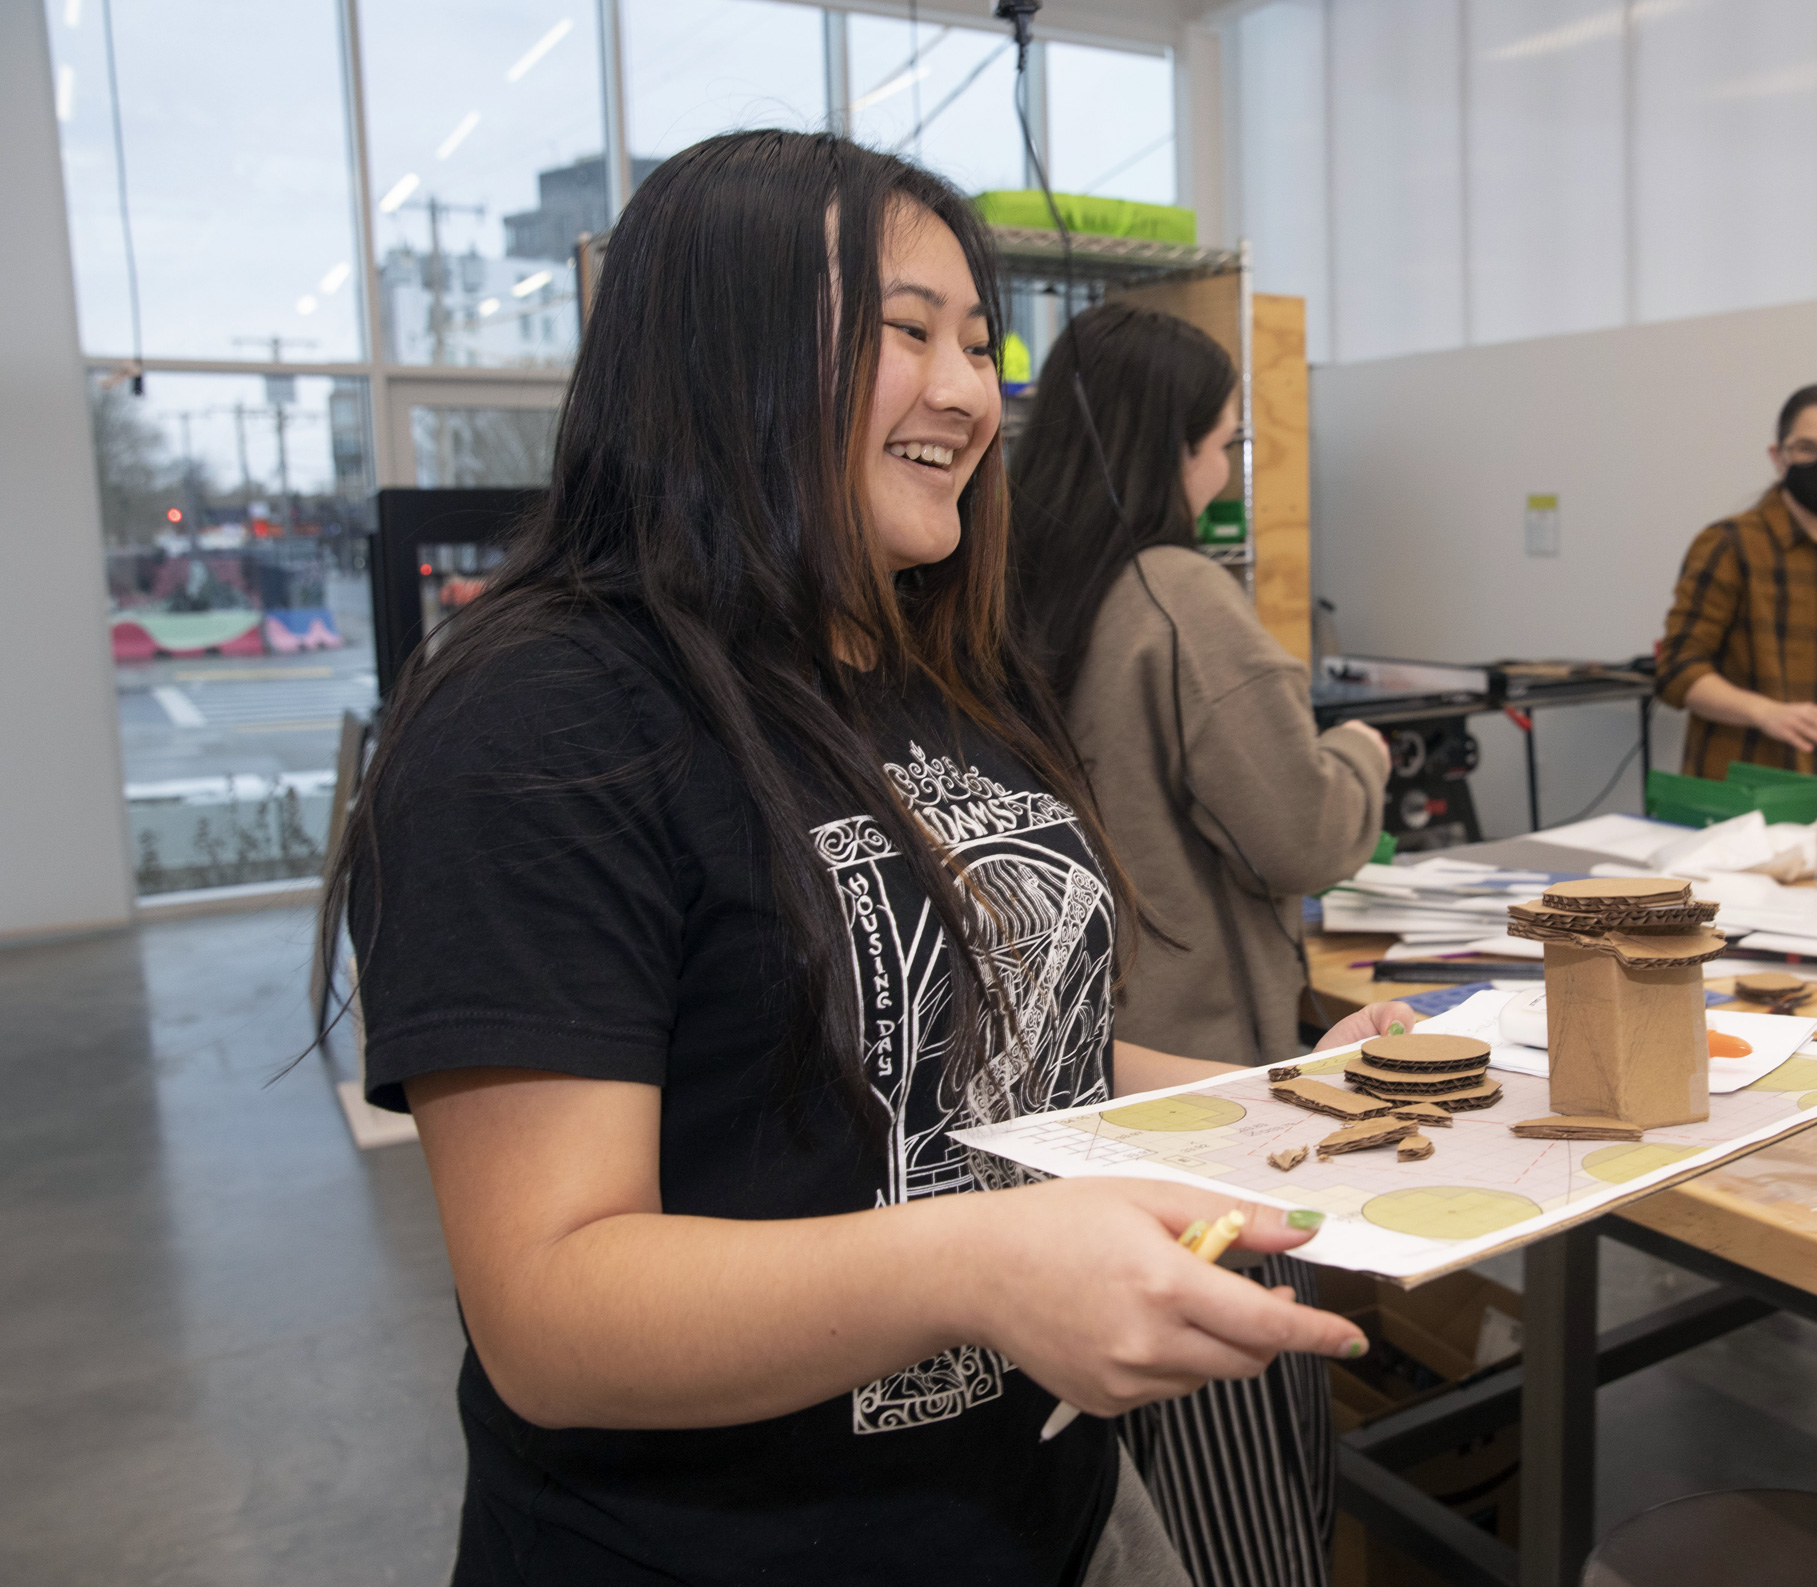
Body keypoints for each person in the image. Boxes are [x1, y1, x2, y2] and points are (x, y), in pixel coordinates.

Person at [316, 131, 1391, 1587]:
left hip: (1053, 1505)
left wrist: (1273, 1100)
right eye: (907, 332)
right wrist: (985, 1264)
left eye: (979, 342)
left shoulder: (932, 669)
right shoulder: (547, 713)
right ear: (726, 348)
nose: (967, 390)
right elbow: (551, 1306)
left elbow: (1006, 1048)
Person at [1007, 300, 1400, 1587]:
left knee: (1127, 1491)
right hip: (1201, 1096)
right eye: (1223, 441)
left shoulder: (1012, 590)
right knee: (1242, 1483)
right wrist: (1362, 751)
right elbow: (1297, 834)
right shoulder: (1175, 592)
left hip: (1077, 1084)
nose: (1227, 471)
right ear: (1167, 445)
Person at [1655, 382, 1817, 781]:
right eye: (1807, 448)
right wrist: (1767, 713)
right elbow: (1676, 669)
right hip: (1751, 788)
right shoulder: (1730, 545)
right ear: (1778, 457)